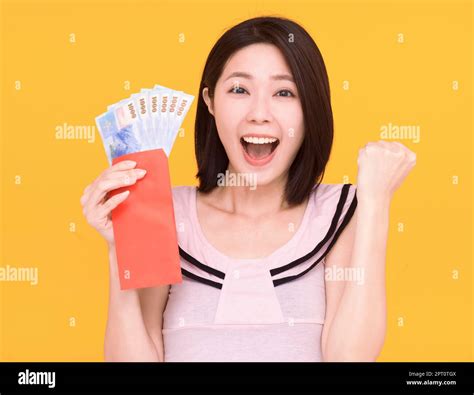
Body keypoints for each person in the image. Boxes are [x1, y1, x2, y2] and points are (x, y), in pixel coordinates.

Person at [80, 16, 416, 362]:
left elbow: (350, 360)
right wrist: (120, 249)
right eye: (239, 90)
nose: (259, 113)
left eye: (284, 92)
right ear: (210, 102)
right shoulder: (165, 214)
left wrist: (375, 202)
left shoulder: (339, 213)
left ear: (310, 107)